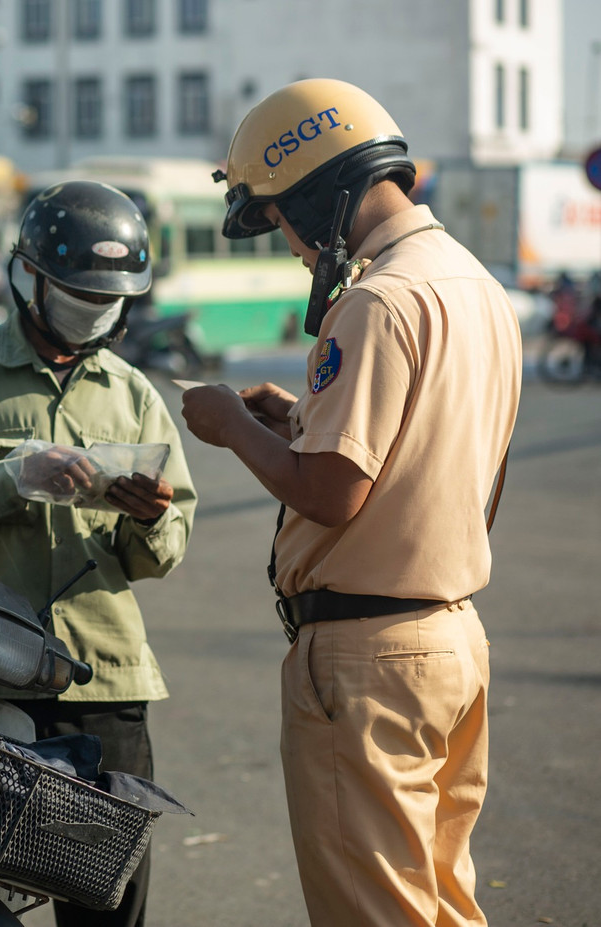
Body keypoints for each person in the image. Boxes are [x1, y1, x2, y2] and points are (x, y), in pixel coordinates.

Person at [182, 79, 521, 926]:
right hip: (451, 640)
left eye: (281, 222)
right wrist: (300, 420)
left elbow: (332, 492)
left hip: (368, 659)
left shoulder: (374, 300)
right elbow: (461, 474)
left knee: (375, 911)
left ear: (318, 197)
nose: (292, 248)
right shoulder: (475, 286)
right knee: (439, 901)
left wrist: (230, 426)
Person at [0, 180, 197, 927]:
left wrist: (147, 519)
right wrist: (9, 477)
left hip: (103, 687)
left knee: (105, 907)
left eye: (107, 300)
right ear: (30, 277)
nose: (94, 312)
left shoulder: (135, 395)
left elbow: (167, 550)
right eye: (79, 295)